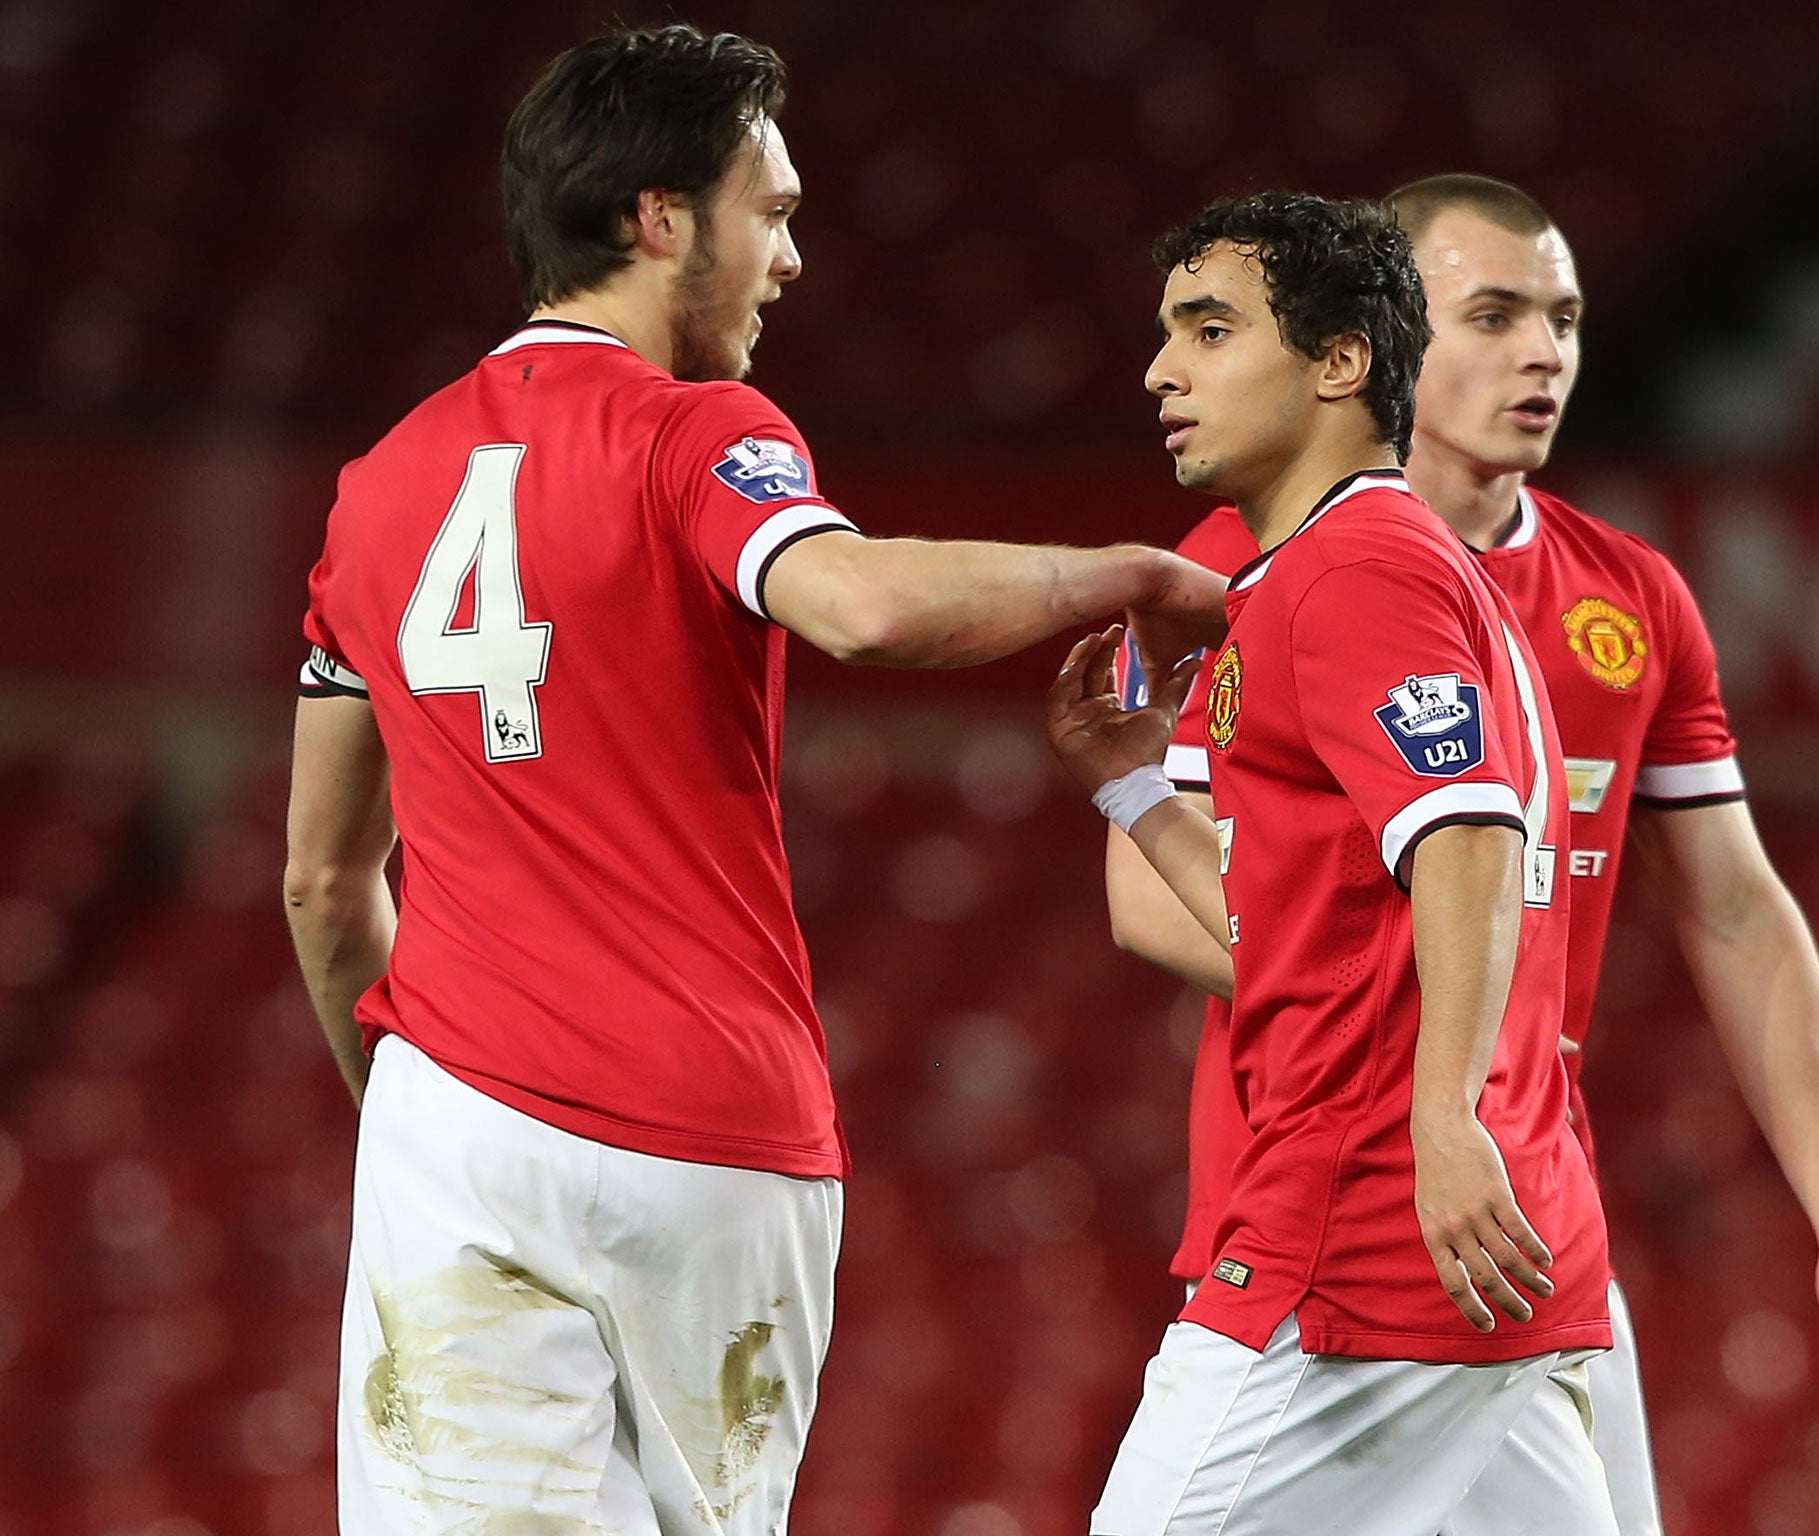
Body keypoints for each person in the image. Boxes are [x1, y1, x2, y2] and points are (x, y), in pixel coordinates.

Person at [281, 25, 1224, 1536]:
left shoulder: (376, 485)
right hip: (714, 1139)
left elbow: (329, 885)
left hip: (459, 1120)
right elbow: (857, 606)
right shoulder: (694, 431)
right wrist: (1114, 567)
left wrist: (422, 1125)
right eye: (769, 212)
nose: (788, 258)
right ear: (660, 219)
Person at [1106, 175, 1819, 1534]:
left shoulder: (1627, 597)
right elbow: (1149, 903)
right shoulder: (1223, 573)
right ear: (1382, 339)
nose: (1546, 351)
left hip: (1478, 1207)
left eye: (1566, 317)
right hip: (1345, 1198)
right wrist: (1436, 1051)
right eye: (1494, 313)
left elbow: (1736, 914)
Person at [1047, 191, 1616, 1535]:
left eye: (1209, 328)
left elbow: (1468, 834)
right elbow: (1296, 928)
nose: (1161, 371)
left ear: (1340, 360)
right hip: (1501, 1249)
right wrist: (1133, 784)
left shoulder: (1353, 570)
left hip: (1362, 1233)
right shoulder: (1347, 570)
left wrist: (1441, 1114)